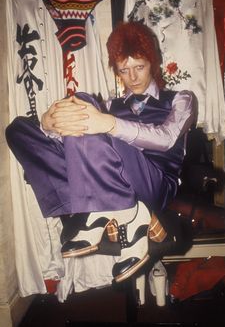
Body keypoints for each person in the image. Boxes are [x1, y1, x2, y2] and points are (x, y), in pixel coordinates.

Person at [5, 22, 196, 283]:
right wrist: (48, 124)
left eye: (139, 67)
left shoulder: (180, 99)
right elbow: (73, 144)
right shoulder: (108, 104)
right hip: (100, 179)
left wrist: (109, 124)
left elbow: (167, 139)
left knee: (85, 103)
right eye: (124, 70)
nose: (133, 77)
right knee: (19, 130)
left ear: (153, 61)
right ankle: (86, 209)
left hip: (154, 184)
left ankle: (116, 211)